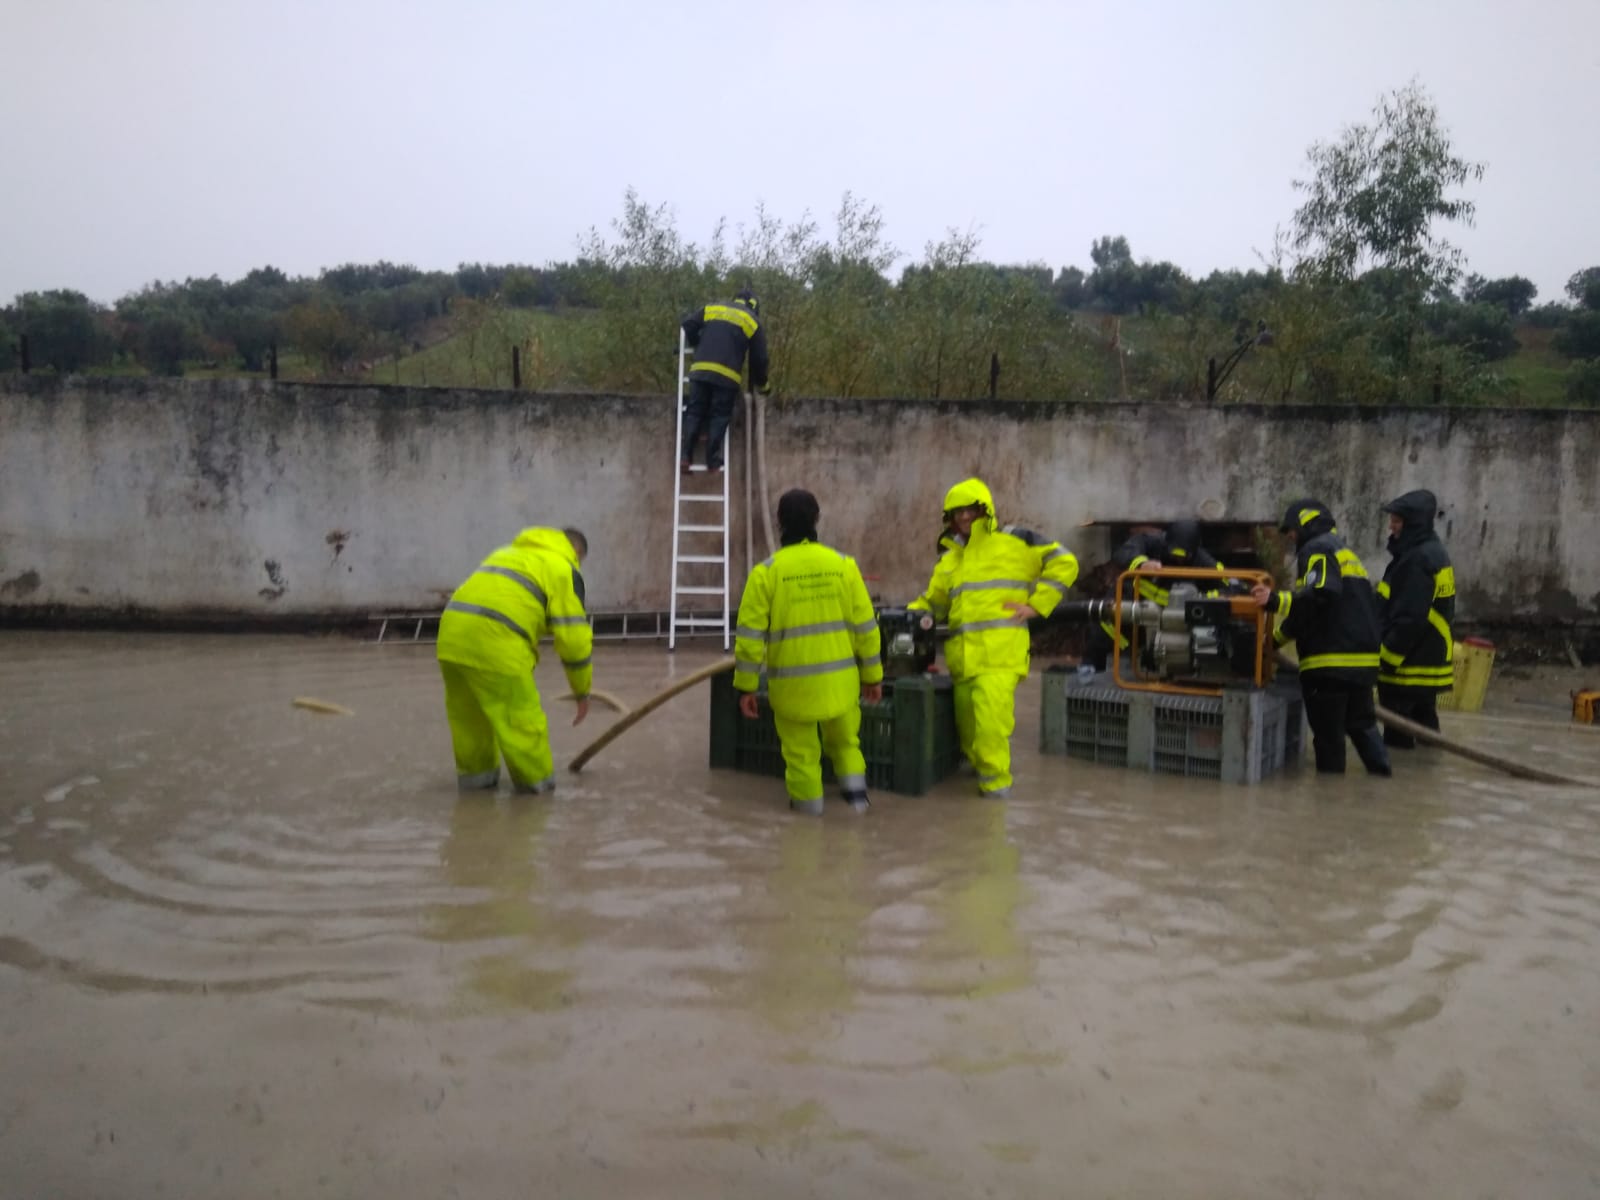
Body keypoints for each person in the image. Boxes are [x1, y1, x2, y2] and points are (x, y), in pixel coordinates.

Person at [909, 478, 1079, 797]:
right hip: (963, 662)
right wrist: (903, 614)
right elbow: (933, 603)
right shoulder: (950, 559)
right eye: (957, 512)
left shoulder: (1015, 541)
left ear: (984, 510)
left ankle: (995, 795)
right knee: (968, 732)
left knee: (990, 728)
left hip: (1000, 658)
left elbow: (1065, 562)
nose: (964, 518)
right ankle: (980, 791)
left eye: (971, 510)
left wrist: (1037, 605)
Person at [732, 489, 883, 815]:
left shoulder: (766, 573)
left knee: (801, 755)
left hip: (792, 689)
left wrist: (745, 687)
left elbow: (749, 638)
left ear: (780, 522)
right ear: (817, 519)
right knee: (846, 743)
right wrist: (873, 676)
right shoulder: (844, 566)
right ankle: (858, 804)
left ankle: (807, 819)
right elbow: (867, 630)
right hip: (840, 686)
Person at [435, 526, 593, 793]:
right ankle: (537, 799)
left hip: (450, 638)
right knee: (522, 724)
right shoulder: (563, 568)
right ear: (575, 552)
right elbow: (574, 641)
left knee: (470, 723)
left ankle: (475, 796)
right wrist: (582, 692)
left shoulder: (507, 553)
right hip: (496, 643)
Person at [1251, 500, 1390, 777]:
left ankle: (1328, 803)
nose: (1290, 537)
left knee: (1329, 739)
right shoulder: (1345, 553)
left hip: (1330, 664)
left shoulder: (1316, 549)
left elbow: (1321, 595)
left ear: (1306, 524)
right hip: (1362, 662)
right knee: (1362, 726)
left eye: (1292, 530)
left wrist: (1274, 600)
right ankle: (1383, 780)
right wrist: (1274, 640)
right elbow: (1310, 611)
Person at [1377, 489, 1455, 747]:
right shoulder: (1433, 552)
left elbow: (1409, 619)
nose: (1391, 526)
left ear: (1413, 524)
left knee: (1397, 748)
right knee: (1427, 740)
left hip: (1406, 669)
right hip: (1425, 664)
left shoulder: (1416, 560)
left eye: (1397, 521)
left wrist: (1385, 661)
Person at [680, 287, 770, 473]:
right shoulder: (752, 320)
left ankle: (685, 456)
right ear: (753, 306)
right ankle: (712, 460)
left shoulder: (713, 308)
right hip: (726, 378)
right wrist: (763, 384)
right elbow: (759, 359)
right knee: (719, 416)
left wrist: (696, 342)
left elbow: (688, 324)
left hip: (699, 372)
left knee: (694, 412)